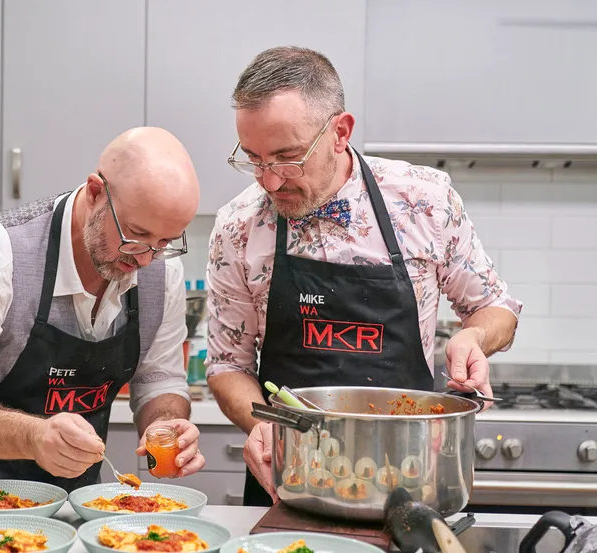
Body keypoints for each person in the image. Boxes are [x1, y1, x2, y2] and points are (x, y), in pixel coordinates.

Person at [204, 46, 523, 506]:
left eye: (287, 157)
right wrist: (263, 428)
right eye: (254, 159)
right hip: (288, 478)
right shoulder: (238, 227)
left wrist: (473, 338)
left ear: (340, 132)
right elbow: (227, 366)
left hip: (409, 475)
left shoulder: (424, 201)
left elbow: (496, 310)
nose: (269, 182)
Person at [0, 127, 206, 492]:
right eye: (134, 237)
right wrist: (32, 437)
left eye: (165, 242)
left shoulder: (161, 271)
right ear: (94, 193)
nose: (146, 259)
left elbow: (159, 380)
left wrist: (165, 424)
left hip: (73, 505)